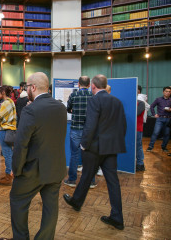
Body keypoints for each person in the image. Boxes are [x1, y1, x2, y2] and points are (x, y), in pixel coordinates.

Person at [2, 72, 67, 240]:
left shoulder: (30, 110)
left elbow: (21, 144)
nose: (24, 90)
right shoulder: (61, 107)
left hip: (33, 169)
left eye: (26, 87)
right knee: (51, 208)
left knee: (18, 201)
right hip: (56, 167)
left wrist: (16, 169)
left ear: (33, 87)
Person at [63, 74, 127, 230]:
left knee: (86, 176)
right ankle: (117, 217)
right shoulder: (117, 101)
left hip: (94, 147)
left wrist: (84, 145)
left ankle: (77, 202)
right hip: (111, 148)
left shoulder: (94, 100)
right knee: (113, 182)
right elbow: (123, 125)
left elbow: (90, 126)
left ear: (93, 86)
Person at [64, 76, 96, 188]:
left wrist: (73, 110)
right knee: (90, 155)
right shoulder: (93, 96)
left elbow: (68, 108)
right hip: (89, 130)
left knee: (74, 155)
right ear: (88, 85)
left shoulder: (73, 95)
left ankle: (72, 180)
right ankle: (91, 181)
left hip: (75, 129)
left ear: (78, 84)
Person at [0, 85, 16, 186]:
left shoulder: (6, 103)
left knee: (7, 154)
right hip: (10, 131)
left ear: (3, 93)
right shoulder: (10, 102)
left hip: (5, 131)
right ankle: (9, 173)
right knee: (9, 154)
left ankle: (8, 177)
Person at [146, 86, 171, 153]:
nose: (168, 93)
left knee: (167, 134)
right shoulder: (158, 99)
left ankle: (164, 147)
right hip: (160, 119)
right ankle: (150, 146)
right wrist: (154, 114)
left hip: (168, 119)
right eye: (166, 91)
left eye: (169, 91)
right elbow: (151, 106)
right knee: (156, 133)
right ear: (163, 92)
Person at [136, 99, 146, 171]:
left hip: (137, 128)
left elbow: (136, 113)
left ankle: (140, 164)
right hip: (128, 128)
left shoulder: (141, 103)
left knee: (138, 146)